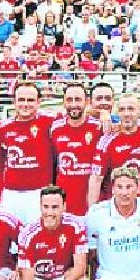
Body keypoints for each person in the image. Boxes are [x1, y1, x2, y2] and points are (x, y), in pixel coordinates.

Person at [0, 82, 58, 221]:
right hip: (10, 194)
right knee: (11, 239)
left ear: (39, 102)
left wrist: (104, 115)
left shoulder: (51, 121)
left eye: (30, 100)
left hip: (39, 193)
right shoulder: (4, 127)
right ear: (14, 101)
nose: (25, 104)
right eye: (21, 100)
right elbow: (1, 158)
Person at [49, 83, 104, 215]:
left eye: (78, 99)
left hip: (92, 202)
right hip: (64, 203)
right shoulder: (55, 128)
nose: (73, 104)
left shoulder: (99, 127)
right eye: (69, 100)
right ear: (63, 102)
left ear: (87, 101)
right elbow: (52, 163)